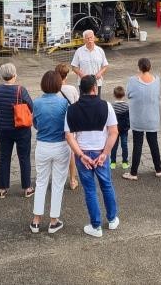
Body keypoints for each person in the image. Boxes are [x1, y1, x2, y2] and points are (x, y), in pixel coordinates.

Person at [65, 75, 120, 238]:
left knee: (90, 190)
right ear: (95, 88)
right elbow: (113, 132)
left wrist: (80, 155)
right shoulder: (106, 106)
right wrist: (104, 154)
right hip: (100, 151)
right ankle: (111, 219)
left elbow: (69, 135)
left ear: (81, 90)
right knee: (106, 185)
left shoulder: (72, 109)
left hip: (83, 154)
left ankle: (95, 226)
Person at [31, 71, 71, 234]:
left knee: (41, 182)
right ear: (58, 84)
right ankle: (53, 221)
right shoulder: (64, 103)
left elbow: (35, 123)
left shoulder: (37, 103)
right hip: (61, 144)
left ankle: (36, 220)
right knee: (58, 183)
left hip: (42, 144)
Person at [0, 63, 34, 198]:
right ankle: (27, 188)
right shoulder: (21, 90)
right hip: (21, 128)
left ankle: (3, 189)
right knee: (24, 157)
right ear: (14, 75)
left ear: (2, 76)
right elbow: (31, 107)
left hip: (3, 128)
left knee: (4, 157)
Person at [124, 58, 161, 180]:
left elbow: (129, 94)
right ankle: (158, 169)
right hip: (152, 118)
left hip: (138, 118)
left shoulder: (132, 81)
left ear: (139, 67)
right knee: (153, 143)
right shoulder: (157, 80)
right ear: (150, 67)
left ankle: (134, 172)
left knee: (137, 144)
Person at [55, 62, 80, 190]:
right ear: (66, 75)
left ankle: (58, 180)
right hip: (70, 123)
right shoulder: (72, 89)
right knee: (71, 152)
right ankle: (72, 179)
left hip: (56, 123)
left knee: (57, 151)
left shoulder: (52, 90)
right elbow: (77, 105)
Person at [71, 29, 109, 94]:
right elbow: (74, 67)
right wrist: (82, 75)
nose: (89, 40)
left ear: (94, 38)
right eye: (87, 38)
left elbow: (105, 65)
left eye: (91, 37)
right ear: (84, 40)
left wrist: (100, 73)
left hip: (97, 83)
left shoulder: (100, 51)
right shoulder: (79, 51)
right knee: (84, 103)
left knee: (96, 102)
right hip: (84, 84)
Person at [110, 86, 130, 168]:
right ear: (124, 95)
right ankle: (125, 162)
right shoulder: (127, 105)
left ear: (114, 95)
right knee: (124, 145)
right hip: (124, 128)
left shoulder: (112, 106)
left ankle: (113, 162)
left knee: (114, 145)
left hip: (115, 129)